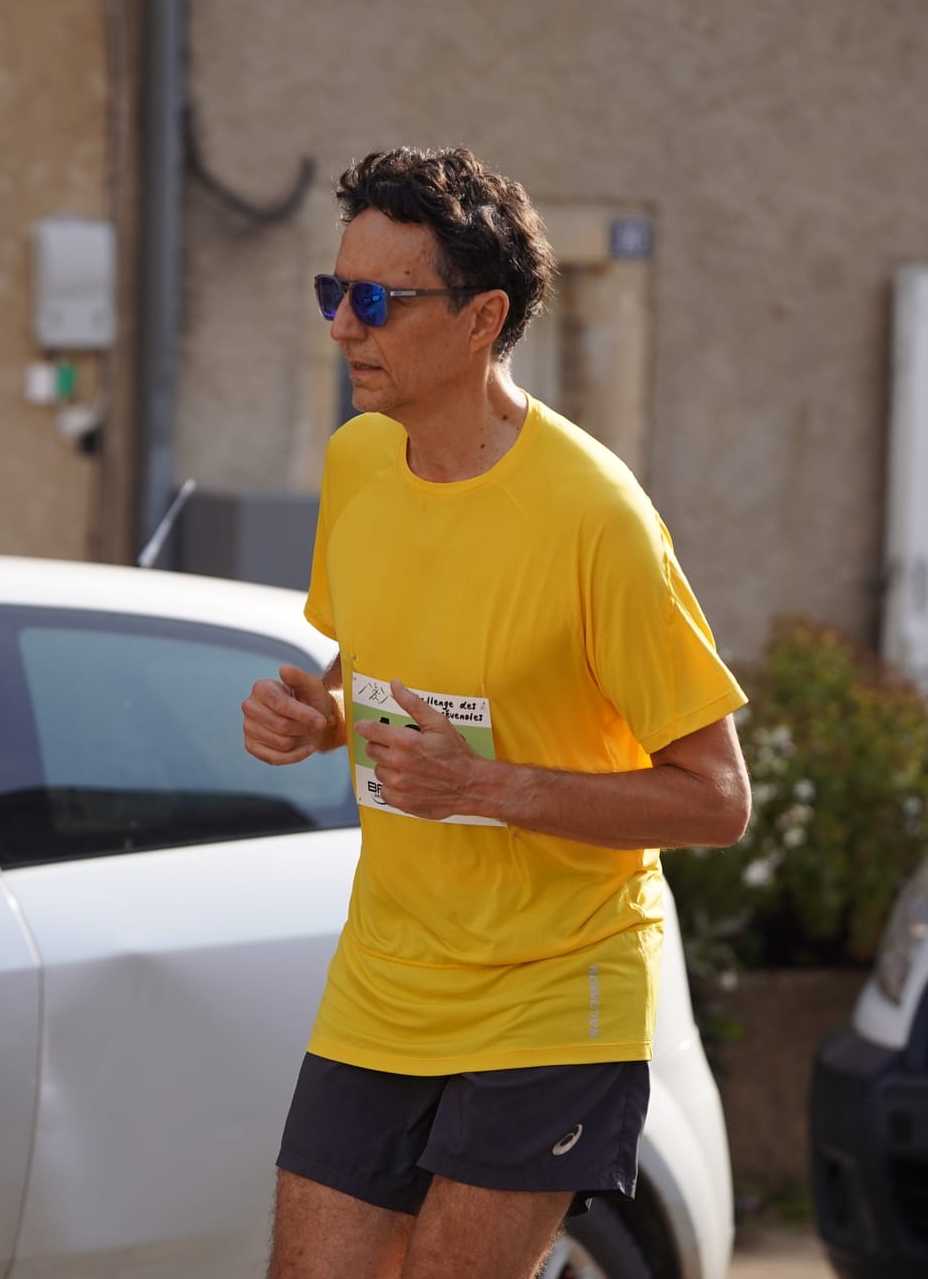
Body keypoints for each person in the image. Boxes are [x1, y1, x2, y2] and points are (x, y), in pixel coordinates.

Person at [239, 147, 752, 1279]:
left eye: (376, 300)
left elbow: (716, 800)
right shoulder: (357, 465)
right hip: (386, 973)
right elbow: (378, 668)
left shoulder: (596, 517)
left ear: (481, 320)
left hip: (552, 985)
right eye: (334, 292)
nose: (343, 327)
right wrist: (318, 717)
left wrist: (486, 787)